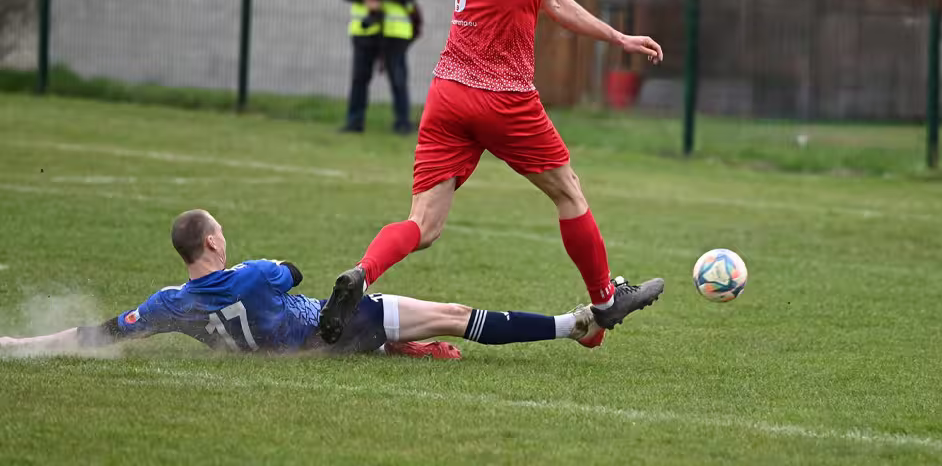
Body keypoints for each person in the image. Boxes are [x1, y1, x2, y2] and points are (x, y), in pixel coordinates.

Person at [318, 0, 665, 347]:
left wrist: (617, 37)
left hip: (446, 94)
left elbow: (555, 1)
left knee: (422, 224)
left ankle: (361, 273)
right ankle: (605, 300)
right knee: (568, 191)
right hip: (502, 97)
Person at [0, 210, 604, 357]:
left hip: (307, 351)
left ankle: (398, 349)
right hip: (331, 323)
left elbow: (99, 332)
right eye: (221, 230)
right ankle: (569, 326)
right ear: (211, 242)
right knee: (451, 313)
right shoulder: (256, 274)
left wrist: (17, 346)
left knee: (422, 335)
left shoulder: (169, 306)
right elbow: (292, 271)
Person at [341, 0, 420, 135]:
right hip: (365, 29)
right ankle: (354, 122)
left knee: (398, 78)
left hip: (395, 32)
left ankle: (403, 123)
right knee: (359, 77)